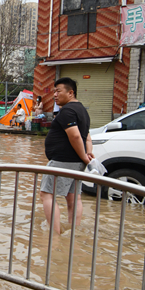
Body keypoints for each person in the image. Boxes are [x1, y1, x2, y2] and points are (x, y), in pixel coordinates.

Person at [40, 77, 93, 234]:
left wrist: (84, 156)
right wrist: (87, 153)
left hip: (63, 161)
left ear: (70, 93)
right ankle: (73, 232)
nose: (55, 95)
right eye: (54, 91)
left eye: (58, 91)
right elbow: (87, 137)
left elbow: (76, 136)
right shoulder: (82, 110)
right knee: (73, 198)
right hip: (75, 163)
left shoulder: (68, 111)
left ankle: (54, 235)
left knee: (47, 195)